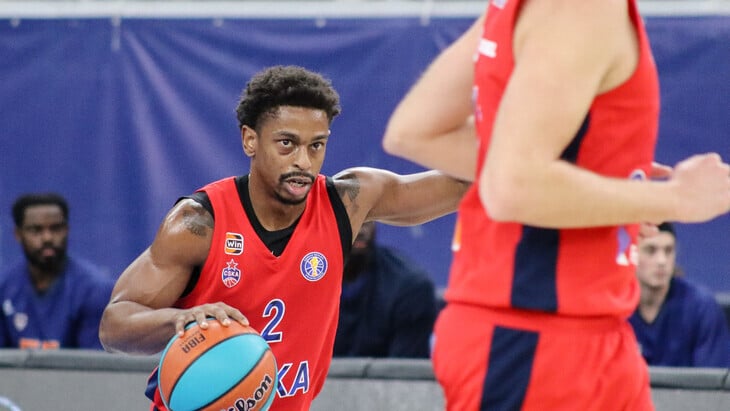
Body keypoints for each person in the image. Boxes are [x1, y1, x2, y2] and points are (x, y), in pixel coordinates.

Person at [382, 1, 730, 410]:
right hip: (537, 339)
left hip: (572, 331)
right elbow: (513, 186)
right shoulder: (581, 8)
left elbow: (418, 132)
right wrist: (677, 198)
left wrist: (608, 186)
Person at [98, 65, 469, 411]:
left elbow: (462, 185)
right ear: (250, 140)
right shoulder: (199, 223)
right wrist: (181, 320)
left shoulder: (347, 203)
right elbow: (114, 325)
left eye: (316, 145)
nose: (303, 162)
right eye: (287, 144)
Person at [0, 193, 113, 350]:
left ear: (67, 230)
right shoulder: (4, 288)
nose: (47, 238)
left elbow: (93, 362)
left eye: (56, 228)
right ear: (18, 234)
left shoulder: (95, 291)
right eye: (36, 230)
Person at [629, 222, 730, 367]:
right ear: (632, 254)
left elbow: (713, 377)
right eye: (651, 250)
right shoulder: (616, 309)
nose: (662, 261)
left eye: (668, 251)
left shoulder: (701, 308)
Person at [333, 221, 439, 358]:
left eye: (367, 220)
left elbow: (403, 369)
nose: (361, 231)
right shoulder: (306, 282)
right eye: (351, 219)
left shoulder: (411, 288)